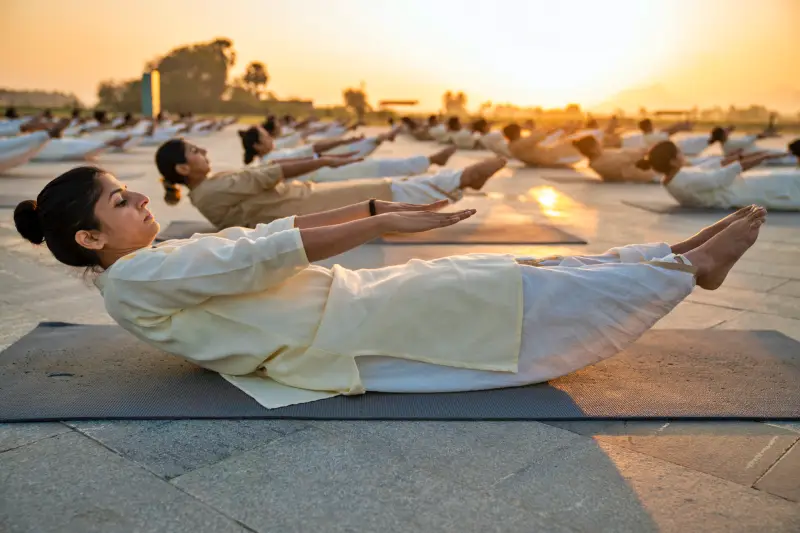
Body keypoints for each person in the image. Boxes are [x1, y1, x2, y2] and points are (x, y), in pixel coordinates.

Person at [13, 166, 764, 407]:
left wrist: (377, 213)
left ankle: (664, 257)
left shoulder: (148, 265)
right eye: (120, 202)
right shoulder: (135, 282)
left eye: (128, 191)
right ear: (89, 239)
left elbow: (252, 246)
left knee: (491, 275)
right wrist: (379, 223)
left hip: (341, 305)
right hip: (333, 336)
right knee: (489, 291)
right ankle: (682, 268)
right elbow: (263, 252)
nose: (140, 199)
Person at [155, 138, 506, 229]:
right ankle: (458, 180)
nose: (203, 151)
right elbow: (268, 173)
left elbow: (267, 173)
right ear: (184, 169)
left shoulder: (209, 188)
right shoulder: (211, 192)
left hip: (304, 200)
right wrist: (326, 161)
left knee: (385, 184)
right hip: (305, 209)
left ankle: (452, 181)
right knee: (381, 190)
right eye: (194, 151)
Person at [238, 125, 457, 183]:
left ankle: (427, 160)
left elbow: (310, 152)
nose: (270, 139)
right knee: (378, 167)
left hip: (325, 170)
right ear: (257, 146)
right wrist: (337, 155)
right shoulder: (270, 161)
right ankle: (431, 160)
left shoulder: (270, 157)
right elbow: (311, 153)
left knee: (374, 164)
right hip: (326, 175)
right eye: (265, 137)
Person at [638, 140, 800, 210]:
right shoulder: (682, 181)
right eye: (679, 152)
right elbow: (719, 176)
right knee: (787, 183)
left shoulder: (674, 178)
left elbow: (707, 167)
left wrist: (738, 157)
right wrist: (761, 158)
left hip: (741, 186)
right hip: (742, 193)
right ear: (673, 161)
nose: (682, 154)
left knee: (785, 179)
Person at [572, 136, 657, 183]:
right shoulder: (599, 163)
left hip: (642, 170)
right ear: (592, 149)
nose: (600, 145)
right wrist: (644, 152)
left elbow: (624, 154)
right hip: (645, 174)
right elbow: (625, 158)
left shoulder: (601, 156)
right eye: (597, 144)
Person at [503, 123, 582, 167]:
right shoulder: (519, 144)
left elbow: (534, 139)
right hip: (550, 158)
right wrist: (552, 130)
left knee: (562, 142)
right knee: (569, 144)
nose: (520, 133)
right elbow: (536, 137)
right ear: (516, 133)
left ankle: (566, 131)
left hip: (545, 157)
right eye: (519, 131)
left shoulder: (512, 146)